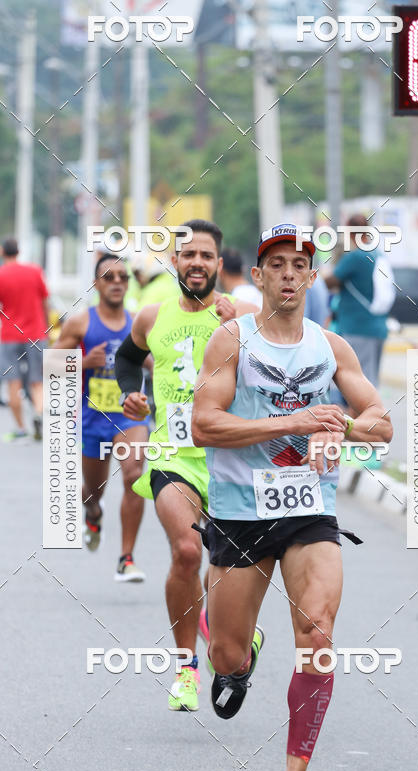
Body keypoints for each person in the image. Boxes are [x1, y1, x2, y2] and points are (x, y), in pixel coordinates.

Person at [191, 223, 393, 771]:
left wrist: (339, 427)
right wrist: (295, 422)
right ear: (257, 277)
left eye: (297, 265)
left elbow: (380, 424)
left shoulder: (331, 348)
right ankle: (236, 651)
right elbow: (205, 425)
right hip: (239, 512)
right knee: (226, 657)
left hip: (309, 510)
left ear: (310, 277)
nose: (286, 274)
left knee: (319, 637)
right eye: (274, 264)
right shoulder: (232, 341)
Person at [115, 220, 259, 711]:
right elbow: (127, 358)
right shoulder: (151, 316)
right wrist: (130, 395)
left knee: (225, 569)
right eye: (188, 254)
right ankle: (186, 668)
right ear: (174, 262)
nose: (196, 262)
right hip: (172, 455)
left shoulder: (244, 316)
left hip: (229, 460)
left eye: (206, 255)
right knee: (185, 552)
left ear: (220, 264)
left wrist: (237, 328)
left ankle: (236, 640)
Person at [53, 254, 150, 581]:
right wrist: (82, 363)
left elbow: (156, 363)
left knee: (134, 473)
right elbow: (48, 366)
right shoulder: (80, 323)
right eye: (109, 277)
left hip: (129, 417)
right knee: (93, 492)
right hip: (92, 419)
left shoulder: (138, 323)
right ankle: (93, 514)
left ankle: (127, 558)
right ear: (97, 284)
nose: (118, 282)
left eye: (123, 276)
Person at [0, 238, 49, 441]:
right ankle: (38, 414)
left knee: (13, 383)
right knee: (37, 382)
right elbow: (45, 299)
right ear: (19, 251)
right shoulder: (35, 271)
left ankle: (21, 428)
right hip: (36, 335)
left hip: (10, 337)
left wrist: (3, 313)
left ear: (3, 253)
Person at [324, 214, 389, 388]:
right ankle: (372, 414)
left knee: (359, 385)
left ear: (350, 232)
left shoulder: (356, 257)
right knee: (371, 380)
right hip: (378, 327)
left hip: (357, 327)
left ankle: (368, 416)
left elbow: (330, 282)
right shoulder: (378, 254)